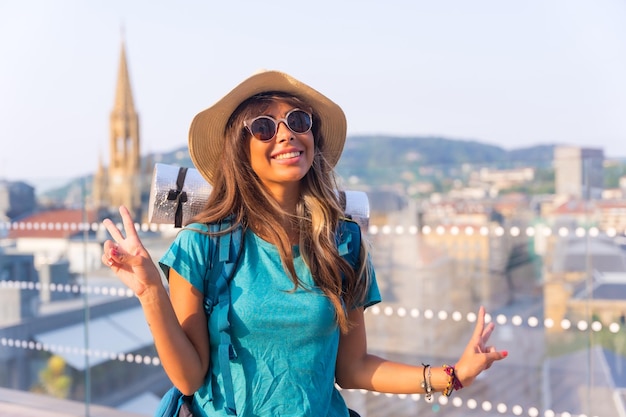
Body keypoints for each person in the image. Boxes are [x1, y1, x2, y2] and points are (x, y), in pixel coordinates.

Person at [101, 70, 508, 417]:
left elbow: (352, 368)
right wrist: (150, 291)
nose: (286, 134)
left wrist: (453, 375)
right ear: (240, 150)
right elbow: (189, 378)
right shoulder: (202, 244)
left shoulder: (342, 242)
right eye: (263, 126)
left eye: (298, 121)